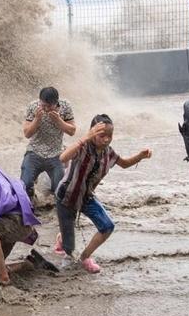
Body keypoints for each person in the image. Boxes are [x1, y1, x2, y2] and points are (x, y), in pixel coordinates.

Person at [54, 114, 152, 273]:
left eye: (110, 136)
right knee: (69, 248)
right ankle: (64, 241)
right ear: (92, 133)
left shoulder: (109, 152)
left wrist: (140, 156)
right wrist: (85, 138)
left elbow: (125, 164)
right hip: (67, 197)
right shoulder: (83, 147)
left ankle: (84, 257)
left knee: (107, 226)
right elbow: (63, 157)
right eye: (102, 135)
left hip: (86, 197)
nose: (106, 139)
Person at [21, 87, 76, 201]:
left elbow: (72, 131)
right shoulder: (33, 107)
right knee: (24, 185)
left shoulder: (65, 106)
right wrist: (37, 119)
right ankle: (31, 202)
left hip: (56, 153)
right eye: (43, 105)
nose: (45, 109)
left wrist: (59, 120)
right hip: (34, 151)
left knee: (59, 190)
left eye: (49, 106)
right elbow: (27, 134)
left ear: (56, 103)